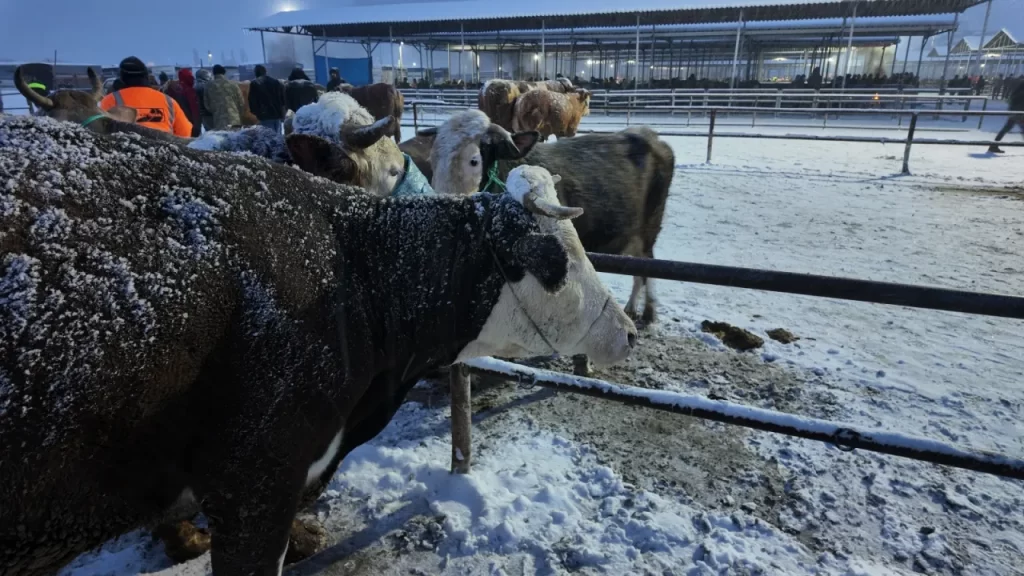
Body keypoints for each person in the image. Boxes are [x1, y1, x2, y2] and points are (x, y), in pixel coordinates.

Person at [99, 56, 192, 137]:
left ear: (121, 78)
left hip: (127, 153)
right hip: (165, 153)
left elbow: (99, 130)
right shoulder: (168, 101)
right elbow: (185, 133)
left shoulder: (110, 100)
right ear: (146, 76)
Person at [247, 64, 287, 133]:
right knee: (278, 136)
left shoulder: (254, 83)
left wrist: (256, 113)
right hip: (277, 114)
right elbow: (282, 99)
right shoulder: (276, 82)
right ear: (265, 72)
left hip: (264, 116)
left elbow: (252, 101)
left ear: (256, 73)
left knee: (268, 137)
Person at [204, 64, 245, 130]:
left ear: (213, 73)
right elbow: (241, 102)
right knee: (235, 138)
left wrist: (216, 111)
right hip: (234, 119)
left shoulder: (208, 86)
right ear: (224, 72)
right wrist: (238, 113)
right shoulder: (233, 84)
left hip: (219, 120)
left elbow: (207, 105)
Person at [989, 80, 1024, 153]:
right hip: (1019, 113)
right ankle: (993, 146)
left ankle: (993, 145)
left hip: (1014, 112)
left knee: (1006, 129)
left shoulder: (1018, 91)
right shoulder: (1021, 93)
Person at [164, 68, 201, 137]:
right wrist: (197, 126)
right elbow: (194, 109)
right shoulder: (189, 90)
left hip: (175, 124)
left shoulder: (171, 89)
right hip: (190, 124)